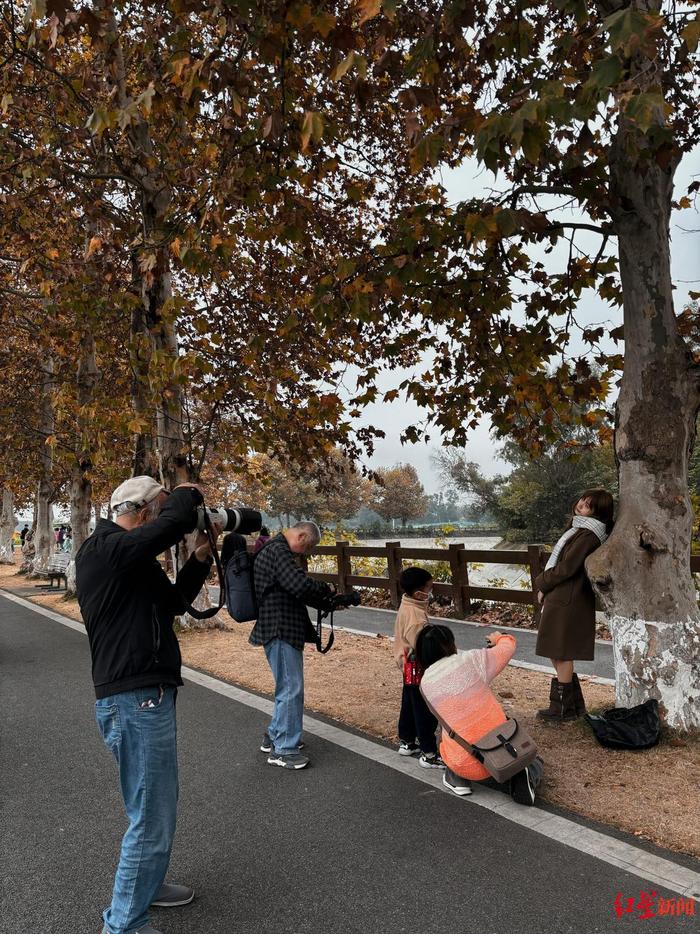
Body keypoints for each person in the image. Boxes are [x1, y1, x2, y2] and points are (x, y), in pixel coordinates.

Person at [76, 476, 219, 934]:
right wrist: (184, 494)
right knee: (152, 813)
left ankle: (146, 886)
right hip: (135, 700)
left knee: (151, 807)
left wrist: (198, 559)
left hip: (141, 697)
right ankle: (123, 924)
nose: (167, 525)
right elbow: (171, 520)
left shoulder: (128, 559)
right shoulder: (105, 548)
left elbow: (174, 602)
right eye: (159, 513)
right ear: (143, 513)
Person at [417, 624, 543, 805]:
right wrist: (500, 637)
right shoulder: (473, 659)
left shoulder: (425, 684)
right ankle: (527, 773)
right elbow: (508, 647)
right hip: (501, 751)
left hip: (464, 761)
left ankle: (457, 779)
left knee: (446, 734)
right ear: (451, 643)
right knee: (533, 759)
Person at [250, 520, 334, 770]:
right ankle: (284, 749)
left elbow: (293, 587)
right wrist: (325, 590)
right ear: (299, 535)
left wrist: (327, 600)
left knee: (286, 686)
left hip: (277, 627)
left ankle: (275, 735)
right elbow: (298, 584)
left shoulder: (273, 549)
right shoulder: (279, 551)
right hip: (281, 629)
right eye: (308, 547)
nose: (306, 553)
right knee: (290, 688)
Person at [534, 489, 614, 721]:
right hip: (563, 595)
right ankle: (572, 706)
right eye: (582, 500)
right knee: (556, 650)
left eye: (589, 505)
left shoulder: (588, 535)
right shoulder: (579, 529)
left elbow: (568, 567)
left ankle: (562, 710)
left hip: (568, 597)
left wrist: (542, 583)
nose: (582, 505)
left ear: (598, 512)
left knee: (561, 650)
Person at [393, 566, 443, 769]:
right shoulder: (416, 616)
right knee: (425, 711)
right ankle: (429, 753)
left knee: (409, 704)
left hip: (407, 666)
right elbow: (423, 646)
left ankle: (407, 741)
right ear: (420, 593)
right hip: (418, 667)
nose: (431, 591)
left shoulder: (407, 605)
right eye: (430, 588)